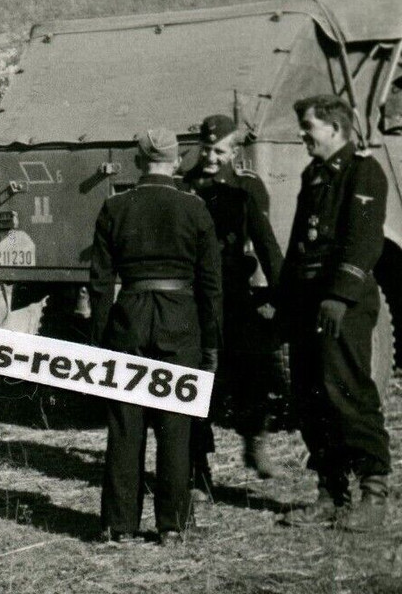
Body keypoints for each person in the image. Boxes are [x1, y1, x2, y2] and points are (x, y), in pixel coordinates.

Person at [89, 127, 223, 546]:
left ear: (137, 159)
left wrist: (99, 340)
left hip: (130, 317)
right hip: (180, 321)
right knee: (175, 425)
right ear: (176, 160)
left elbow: (98, 284)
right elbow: (211, 285)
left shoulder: (115, 207)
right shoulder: (194, 207)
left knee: (125, 425)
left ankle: (118, 525)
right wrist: (212, 342)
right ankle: (173, 525)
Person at [279, 95, 391, 532]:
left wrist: (339, 295)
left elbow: (364, 240)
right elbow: (298, 246)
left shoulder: (363, 171)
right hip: (310, 304)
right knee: (311, 396)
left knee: (346, 390)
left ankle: (373, 495)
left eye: (309, 126)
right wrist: (285, 302)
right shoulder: (314, 175)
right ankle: (330, 493)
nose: (303, 134)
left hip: (340, 306)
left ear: (335, 128)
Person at [181, 114, 285, 495]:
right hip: (195, 299)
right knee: (197, 383)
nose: (211, 157)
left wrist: (282, 294)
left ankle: (254, 441)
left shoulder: (247, 188)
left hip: (236, 296)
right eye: (206, 149)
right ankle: (197, 467)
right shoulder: (186, 188)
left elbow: (266, 243)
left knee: (252, 370)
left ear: (235, 151)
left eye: (219, 150)